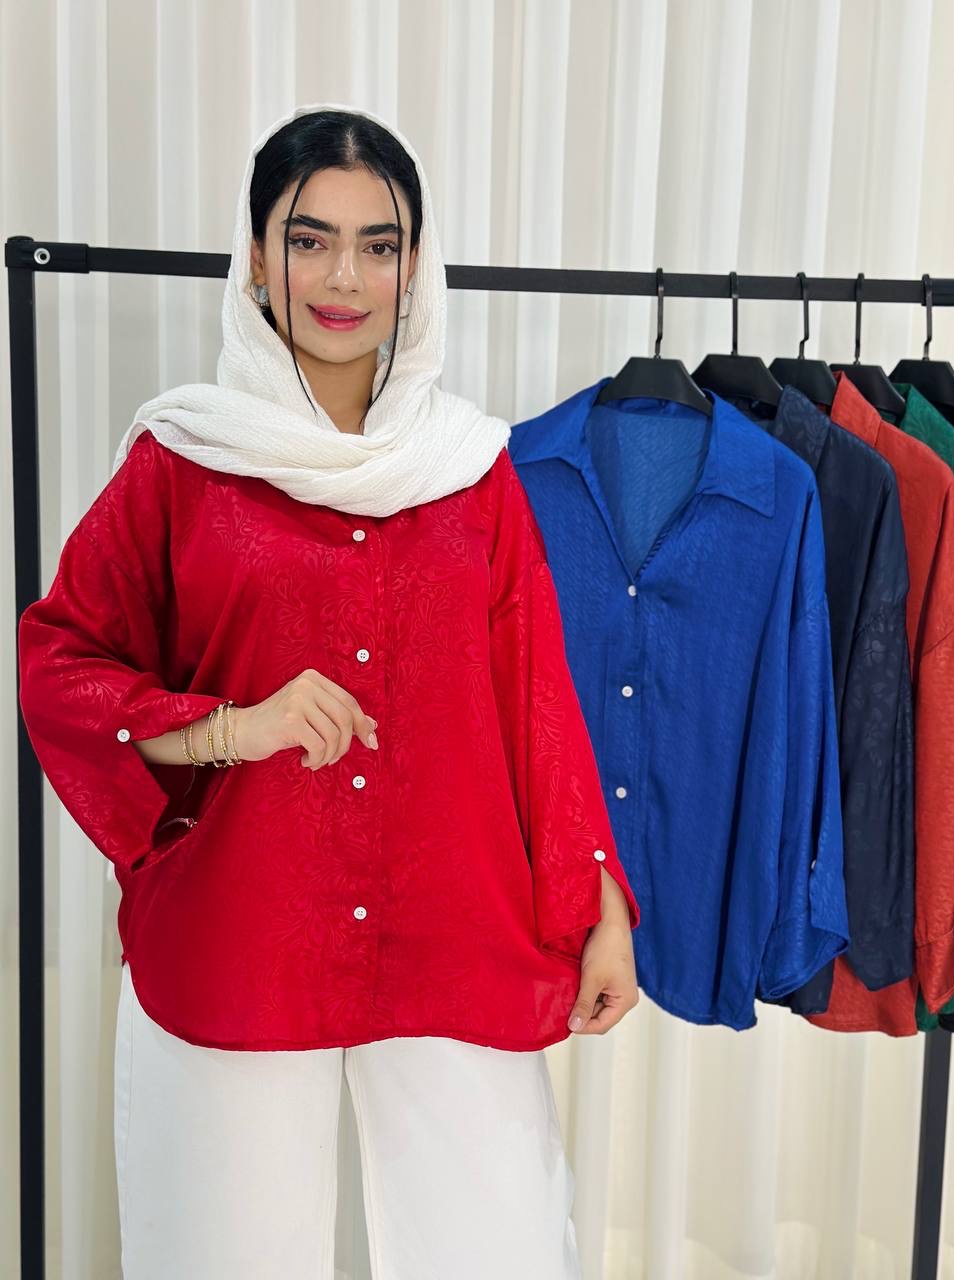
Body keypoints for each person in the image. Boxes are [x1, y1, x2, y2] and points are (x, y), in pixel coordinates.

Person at [17, 102, 641, 1279]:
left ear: (415, 268)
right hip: (238, 938)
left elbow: (538, 705)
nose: (344, 277)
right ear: (257, 258)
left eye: (377, 244)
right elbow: (59, 662)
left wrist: (599, 901)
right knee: (222, 1253)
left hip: (453, 930)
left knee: (495, 1247)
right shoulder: (180, 464)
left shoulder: (471, 472)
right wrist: (226, 725)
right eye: (309, 240)